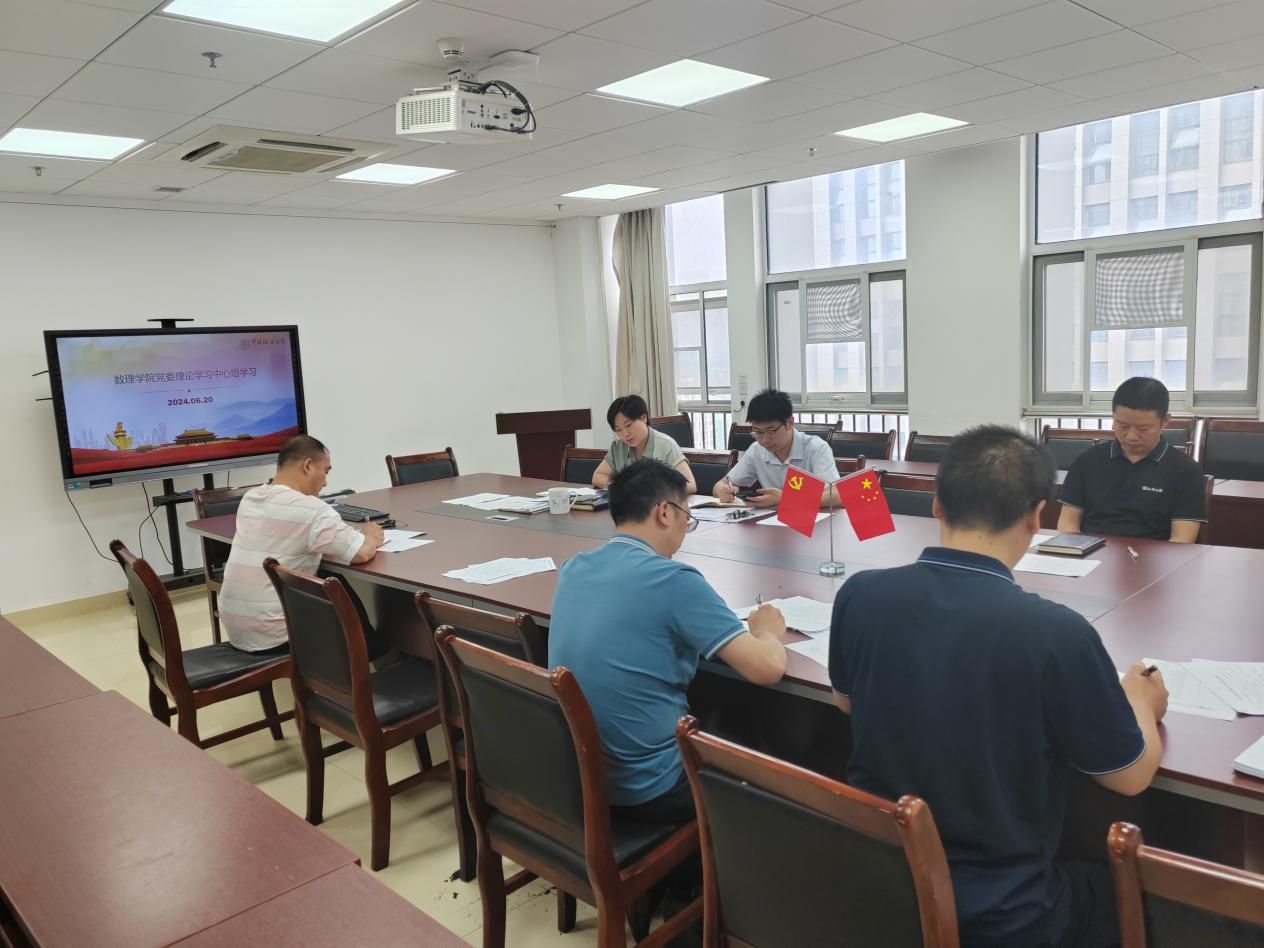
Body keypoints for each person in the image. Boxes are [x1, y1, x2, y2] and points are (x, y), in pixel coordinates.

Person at [828, 425, 1168, 948]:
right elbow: (1129, 777)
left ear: (937, 505)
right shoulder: (1056, 633)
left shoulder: (860, 594)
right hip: (1005, 915)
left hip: (881, 885)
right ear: (1036, 516)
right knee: (1148, 899)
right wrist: (1140, 701)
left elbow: (845, 702)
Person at [549, 459, 787, 821]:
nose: (684, 529)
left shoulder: (573, 567)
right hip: (653, 787)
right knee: (768, 748)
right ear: (664, 512)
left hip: (580, 779)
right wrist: (767, 630)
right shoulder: (674, 581)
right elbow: (767, 668)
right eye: (685, 517)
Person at [219, 434, 385, 652]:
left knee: (326, 577)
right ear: (308, 466)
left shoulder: (251, 498)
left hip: (236, 628)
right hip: (277, 635)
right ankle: (372, 652)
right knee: (335, 584)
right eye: (325, 471)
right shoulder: (312, 509)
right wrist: (370, 535)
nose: (325, 482)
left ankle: (372, 649)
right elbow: (361, 553)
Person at [1058, 377, 1206, 543]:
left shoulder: (1185, 470)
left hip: (1155, 556)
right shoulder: (1088, 461)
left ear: (1164, 421)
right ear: (1113, 418)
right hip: (1092, 552)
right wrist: (1076, 551)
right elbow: (1068, 523)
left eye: (1143, 428)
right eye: (1123, 426)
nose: (1131, 436)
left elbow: (1182, 539)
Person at [713, 388, 838, 508]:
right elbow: (721, 484)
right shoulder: (757, 450)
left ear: (789, 423)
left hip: (811, 519)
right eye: (758, 432)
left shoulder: (816, 448)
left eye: (771, 431)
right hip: (771, 519)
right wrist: (722, 491)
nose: (764, 440)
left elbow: (837, 495)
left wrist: (785, 498)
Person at [592, 394, 696, 494]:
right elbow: (598, 476)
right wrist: (622, 487)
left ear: (643, 418)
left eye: (628, 425)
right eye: (618, 430)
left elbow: (690, 485)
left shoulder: (666, 445)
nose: (625, 434)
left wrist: (653, 491)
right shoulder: (618, 447)